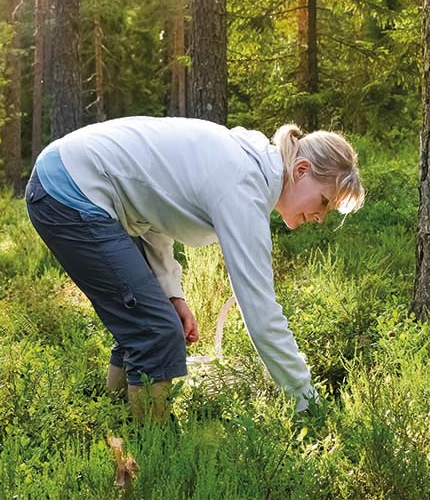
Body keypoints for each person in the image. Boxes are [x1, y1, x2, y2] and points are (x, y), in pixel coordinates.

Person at [24, 116, 364, 419]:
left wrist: (172, 294)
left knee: (151, 318)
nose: (320, 217)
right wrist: (307, 400)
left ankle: (113, 415)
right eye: (323, 201)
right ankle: (155, 452)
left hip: (69, 176)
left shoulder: (247, 159)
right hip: (68, 190)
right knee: (155, 331)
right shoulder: (243, 186)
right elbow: (261, 314)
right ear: (301, 170)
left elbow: (154, 211)